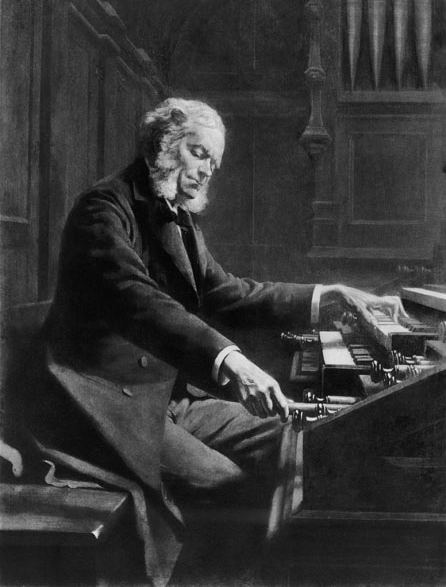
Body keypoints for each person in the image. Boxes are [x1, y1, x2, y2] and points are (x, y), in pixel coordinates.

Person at [29, 98, 406, 585]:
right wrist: (229, 360)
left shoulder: (178, 217)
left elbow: (226, 292)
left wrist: (324, 296)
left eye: (214, 162)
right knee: (224, 484)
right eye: (198, 152)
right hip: (100, 403)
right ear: (163, 145)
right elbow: (138, 301)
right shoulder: (102, 209)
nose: (207, 170)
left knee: (293, 443)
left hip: (164, 395)